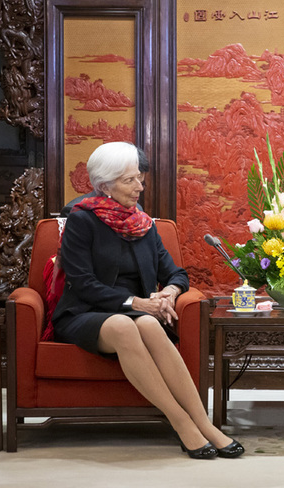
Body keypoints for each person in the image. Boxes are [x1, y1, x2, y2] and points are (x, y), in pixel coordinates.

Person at [52, 141, 244, 460]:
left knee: (151, 328)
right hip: (84, 313)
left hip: (136, 315)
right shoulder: (80, 219)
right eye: (130, 180)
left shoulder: (142, 222)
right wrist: (138, 303)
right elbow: (82, 284)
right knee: (127, 326)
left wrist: (168, 292)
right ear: (105, 185)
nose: (140, 186)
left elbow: (175, 273)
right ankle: (181, 422)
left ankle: (204, 425)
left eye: (140, 178)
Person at [59, 146, 149, 217]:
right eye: (130, 180)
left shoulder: (137, 209)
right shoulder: (77, 211)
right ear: (105, 186)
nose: (140, 188)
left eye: (140, 180)